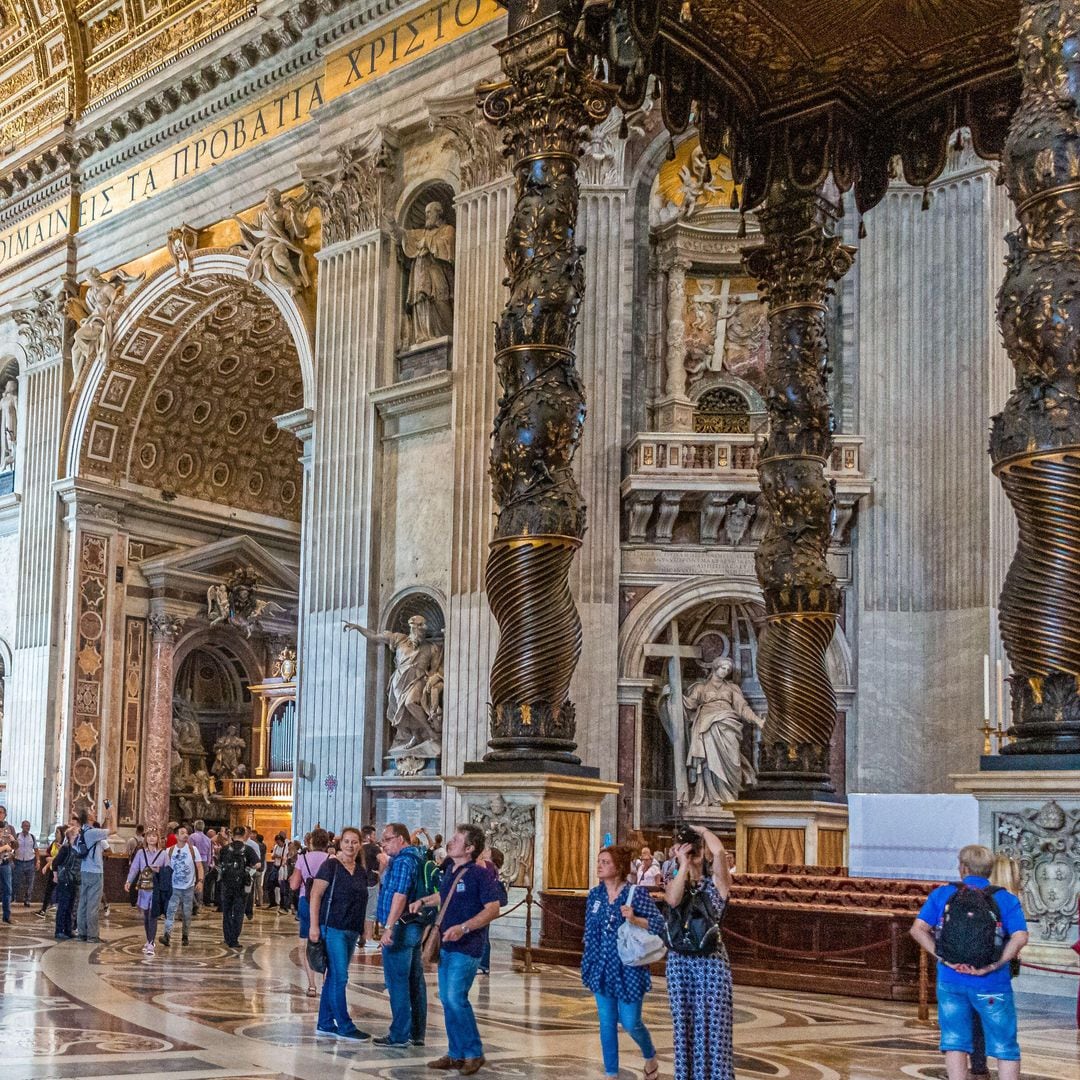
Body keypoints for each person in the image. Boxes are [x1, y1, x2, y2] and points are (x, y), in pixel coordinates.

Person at [910, 844, 1028, 1080]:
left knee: (955, 1042)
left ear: (962, 868)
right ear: (989, 869)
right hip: (992, 983)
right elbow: (1020, 936)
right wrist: (994, 965)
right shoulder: (1004, 898)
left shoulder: (943, 894)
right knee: (1005, 1046)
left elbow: (918, 930)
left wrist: (945, 958)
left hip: (951, 980)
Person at [409, 824, 501, 1073]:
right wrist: (423, 901)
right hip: (446, 944)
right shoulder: (451, 868)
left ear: (470, 848)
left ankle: (473, 1052)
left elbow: (493, 908)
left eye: (457, 839)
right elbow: (445, 895)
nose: (450, 842)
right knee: (448, 1001)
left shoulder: (480, 874)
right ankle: (455, 1053)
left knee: (455, 998)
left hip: (467, 945)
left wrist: (465, 927)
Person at [582, 845, 664, 1080]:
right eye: (599, 861)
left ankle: (650, 1055)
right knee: (606, 1023)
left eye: (605, 862)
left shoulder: (635, 894)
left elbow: (659, 924)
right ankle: (611, 1074)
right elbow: (590, 930)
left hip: (628, 967)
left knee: (630, 1022)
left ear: (618, 868)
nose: (599, 866)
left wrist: (635, 919)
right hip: (601, 967)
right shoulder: (595, 895)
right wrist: (588, 961)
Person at [665, 824, 734, 1080]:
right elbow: (672, 900)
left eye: (695, 851)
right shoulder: (675, 880)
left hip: (710, 962)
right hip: (680, 962)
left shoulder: (715, 884)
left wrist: (703, 832)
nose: (692, 854)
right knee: (684, 1024)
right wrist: (682, 864)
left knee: (714, 1024)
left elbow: (720, 853)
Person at [307, 826, 371, 1041]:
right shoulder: (331, 866)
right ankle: (344, 1024)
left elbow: (363, 902)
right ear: (339, 843)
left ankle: (325, 1022)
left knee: (334, 976)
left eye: (354, 842)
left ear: (360, 844)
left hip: (351, 929)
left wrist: (363, 930)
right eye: (346, 841)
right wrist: (313, 927)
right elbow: (315, 895)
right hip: (332, 927)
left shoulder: (361, 871)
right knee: (340, 976)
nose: (350, 846)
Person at [969, 851, 1024, 1080]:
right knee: (1001, 1026)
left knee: (974, 1018)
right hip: (998, 968)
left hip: (969, 967)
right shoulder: (1009, 899)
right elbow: (1018, 938)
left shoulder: (977, 897)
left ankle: (978, 1065)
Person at [377, 822, 427, 1047]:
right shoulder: (416, 857)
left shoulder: (403, 861)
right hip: (414, 926)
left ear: (401, 839)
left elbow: (400, 895)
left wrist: (389, 926)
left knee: (397, 982)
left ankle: (399, 1034)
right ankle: (417, 1033)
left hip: (401, 927)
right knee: (415, 980)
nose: (383, 843)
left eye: (387, 839)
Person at [290, 827, 330, 994]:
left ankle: (312, 985)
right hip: (326, 903)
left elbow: (294, 885)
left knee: (309, 944)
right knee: (327, 944)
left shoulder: (302, 858)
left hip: (305, 902)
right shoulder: (331, 858)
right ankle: (325, 983)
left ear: (311, 841)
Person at [74, 800, 117, 943]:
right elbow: (113, 830)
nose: (94, 812)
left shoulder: (84, 831)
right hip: (95, 872)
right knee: (93, 904)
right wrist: (113, 811)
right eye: (92, 812)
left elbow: (103, 830)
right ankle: (92, 936)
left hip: (85, 870)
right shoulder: (92, 832)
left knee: (84, 903)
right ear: (89, 818)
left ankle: (82, 933)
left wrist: (107, 817)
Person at [125, 828, 168, 954]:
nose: (151, 838)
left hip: (156, 888)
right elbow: (134, 868)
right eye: (149, 836)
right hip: (144, 887)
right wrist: (128, 881)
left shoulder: (163, 854)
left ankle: (151, 943)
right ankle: (149, 938)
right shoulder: (140, 853)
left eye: (154, 836)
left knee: (152, 915)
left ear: (158, 839)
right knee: (146, 915)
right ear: (145, 838)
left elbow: (169, 870)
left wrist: (159, 870)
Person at [161, 825, 204, 947]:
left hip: (188, 887)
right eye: (182, 833)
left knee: (186, 913)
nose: (185, 835)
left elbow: (199, 866)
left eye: (187, 833)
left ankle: (185, 935)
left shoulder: (192, 849)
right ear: (176, 836)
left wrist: (200, 881)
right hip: (173, 887)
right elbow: (164, 868)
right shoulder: (169, 851)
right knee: (170, 912)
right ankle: (167, 935)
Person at [218, 825, 259, 950]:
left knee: (226, 911)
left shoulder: (225, 849)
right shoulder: (248, 849)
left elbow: (220, 864)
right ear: (244, 835)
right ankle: (234, 938)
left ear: (233, 835)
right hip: (241, 885)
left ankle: (227, 936)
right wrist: (249, 871)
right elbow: (258, 864)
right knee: (238, 912)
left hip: (226, 884)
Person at [477, 846, 507, 975]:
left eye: (487, 851)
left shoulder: (488, 866)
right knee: (484, 934)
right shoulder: (492, 868)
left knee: (484, 935)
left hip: (485, 904)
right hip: (487, 903)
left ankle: (483, 964)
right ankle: (482, 964)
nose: (484, 851)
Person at [52, 824, 81, 939]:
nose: (79, 836)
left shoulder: (77, 849)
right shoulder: (65, 848)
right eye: (76, 834)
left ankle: (68, 930)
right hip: (65, 879)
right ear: (71, 836)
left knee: (70, 906)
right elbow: (55, 863)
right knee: (63, 906)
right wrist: (56, 876)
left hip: (73, 880)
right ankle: (59, 930)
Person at [36, 827, 65, 919]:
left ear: (62, 834)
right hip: (53, 870)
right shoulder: (53, 843)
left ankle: (61, 911)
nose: (55, 834)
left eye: (57, 832)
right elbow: (49, 854)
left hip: (61, 871)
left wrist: (52, 859)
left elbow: (60, 857)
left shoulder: (64, 845)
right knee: (49, 890)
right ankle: (43, 909)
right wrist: (47, 864)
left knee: (62, 892)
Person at [12, 820, 38, 906]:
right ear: (22, 826)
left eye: (29, 826)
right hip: (18, 862)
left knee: (30, 883)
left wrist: (38, 861)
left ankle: (27, 900)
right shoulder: (17, 836)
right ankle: (13, 897)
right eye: (26, 826)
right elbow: (12, 847)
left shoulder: (32, 837)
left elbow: (36, 850)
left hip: (30, 862)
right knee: (16, 881)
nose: (27, 827)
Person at [0, 804, 16, 923]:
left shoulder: (10, 828)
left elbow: (16, 846)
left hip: (5, 862)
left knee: (7, 889)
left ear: (5, 815)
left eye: (1, 812)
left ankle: (7, 915)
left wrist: (13, 840)